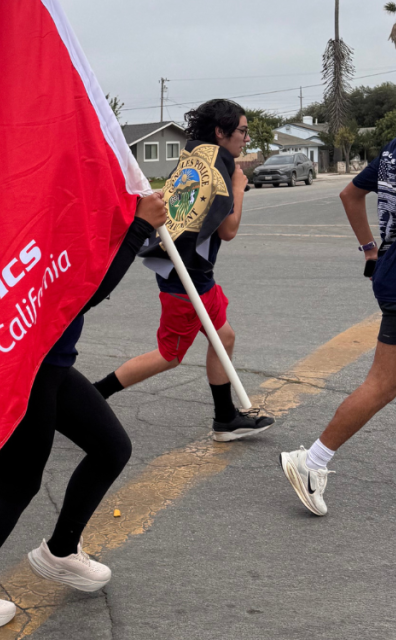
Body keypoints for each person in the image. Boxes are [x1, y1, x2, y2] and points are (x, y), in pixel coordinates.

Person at [0, 192, 168, 628]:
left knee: (111, 448)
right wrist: (139, 229)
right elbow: (80, 293)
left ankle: (60, 551)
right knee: (18, 486)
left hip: (50, 363)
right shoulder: (37, 207)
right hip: (22, 369)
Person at [92, 100, 274, 442]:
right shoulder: (220, 167)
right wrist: (238, 186)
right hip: (186, 278)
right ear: (221, 132)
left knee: (225, 337)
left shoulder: (196, 156)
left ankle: (225, 418)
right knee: (169, 355)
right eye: (242, 131)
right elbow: (228, 229)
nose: (245, 139)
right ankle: (92, 396)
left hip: (188, 270)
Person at [280, 86, 396, 516]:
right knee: (383, 383)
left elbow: (349, 194)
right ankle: (311, 462)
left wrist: (371, 249)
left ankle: (312, 461)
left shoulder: (395, 145)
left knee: (386, 383)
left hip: (392, 273)